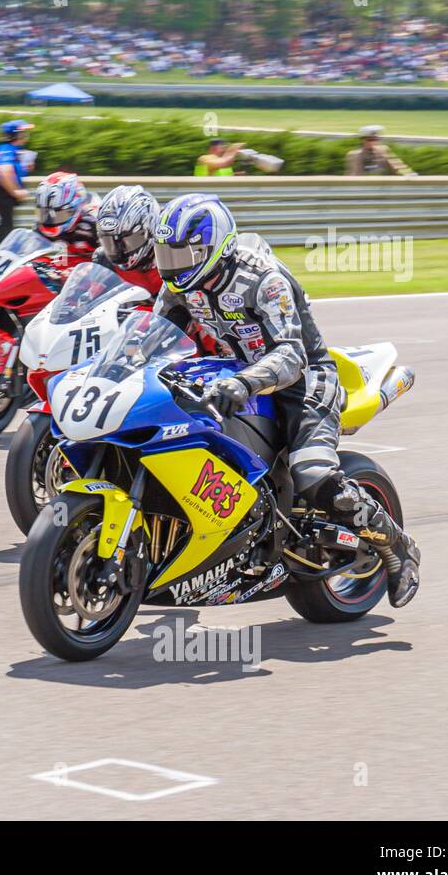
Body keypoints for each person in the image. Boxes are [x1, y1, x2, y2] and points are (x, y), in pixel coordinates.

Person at [150, 193, 420, 607]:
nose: (173, 265)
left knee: (314, 477)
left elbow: (291, 356)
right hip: (233, 375)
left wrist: (243, 383)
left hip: (303, 380)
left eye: (182, 253)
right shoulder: (180, 287)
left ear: (214, 246)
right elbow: (153, 340)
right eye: (165, 254)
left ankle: (396, 547)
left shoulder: (263, 278)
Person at [91, 184, 163, 296]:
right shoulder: (103, 261)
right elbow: (90, 300)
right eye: (108, 242)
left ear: (148, 231)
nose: (118, 251)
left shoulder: (171, 258)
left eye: (127, 240)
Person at [0, 119, 33, 251]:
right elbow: (3, 171)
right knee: (6, 231)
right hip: (4, 193)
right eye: (23, 133)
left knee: (6, 229)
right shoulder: (7, 150)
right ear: (16, 135)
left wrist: (25, 168)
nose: (26, 135)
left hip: (5, 193)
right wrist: (16, 191)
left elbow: (11, 170)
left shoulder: (9, 150)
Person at [33, 171, 100, 262]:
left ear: (76, 207)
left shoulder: (94, 223)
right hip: (63, 268)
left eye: (58, 215)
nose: (49, 221)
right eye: (44, 214)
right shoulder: (39, 227)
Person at [345, 125, 415, 176]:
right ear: (363, 140)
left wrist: (409, 174)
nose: (373, 142)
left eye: (376, 139)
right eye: (370, 140)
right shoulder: (356, 155)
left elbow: (399, 167)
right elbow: (356, 175)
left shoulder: (384, 151)